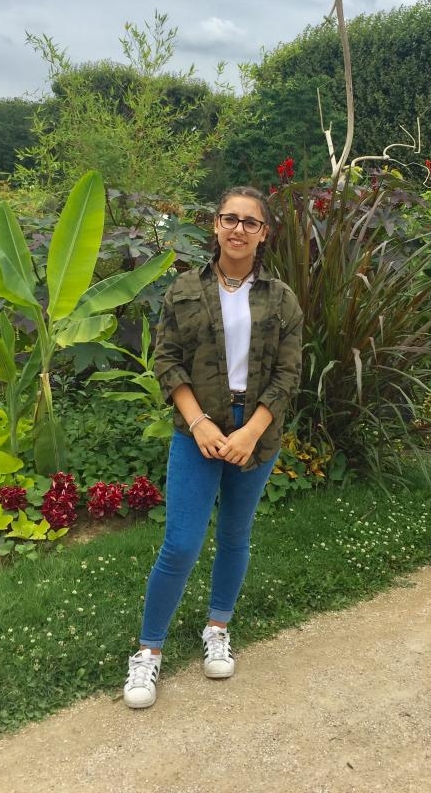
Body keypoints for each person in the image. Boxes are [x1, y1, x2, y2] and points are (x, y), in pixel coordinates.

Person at [123, 186, 303, 709]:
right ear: (216, 225)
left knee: (234, 536)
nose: (238, 229)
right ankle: (148, 653)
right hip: (197, 430)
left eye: (250, 222)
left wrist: (251, 432)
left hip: (255, 430)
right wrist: (199, 422)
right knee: (180, 543)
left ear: (264, 234)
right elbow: (166, 361)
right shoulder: (184, 290)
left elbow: (289, 373)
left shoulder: (282, 298)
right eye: (230, 219)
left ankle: (217, 627)